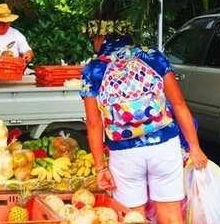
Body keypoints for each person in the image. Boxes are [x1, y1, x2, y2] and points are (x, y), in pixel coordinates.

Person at [81, 33, 208, 224]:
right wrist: (194, 148)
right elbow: (179, 104)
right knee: (172, 215)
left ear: (101, 37)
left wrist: (100, 168)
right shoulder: (154, 57)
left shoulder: (93, 69)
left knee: (133, 217)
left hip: (124, 154)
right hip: (164, 146)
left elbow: (93, 123)